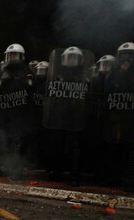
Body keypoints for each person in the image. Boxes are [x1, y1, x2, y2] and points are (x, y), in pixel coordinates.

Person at [101, 42, 134, 191]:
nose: (126, 59)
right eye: (124, 55)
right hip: (116, 117)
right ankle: (113, 178)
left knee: (131, 149)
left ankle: (130, 180)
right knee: (114, 149)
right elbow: (108, 90)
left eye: (129, 56)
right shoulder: (113, 73)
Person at [42, 46, 91, 184]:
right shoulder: (57, 75)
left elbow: (87, 98)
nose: (71, 60)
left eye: (74, 58)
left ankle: (74, 175)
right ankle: (56, 173)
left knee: (75, 147)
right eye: (69, 57)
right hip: (59, 117)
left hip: (75, 117)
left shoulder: (83, 77)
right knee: (57, 145)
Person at [0, 43, 33, 179]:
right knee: (6, 142)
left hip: (21, 114)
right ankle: (8, 168)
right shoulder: (1, 71)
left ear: (21, 56)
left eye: (15, 55)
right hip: (5, 113)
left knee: (18, 143)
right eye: (11, 55)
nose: (13, 58)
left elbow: (32, 88)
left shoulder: (27, 71)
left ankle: (17, 170)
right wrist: (0, 82)